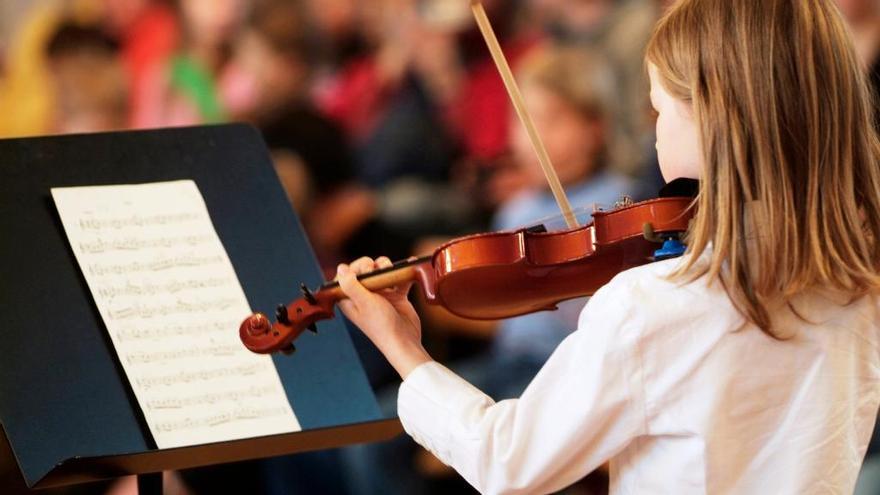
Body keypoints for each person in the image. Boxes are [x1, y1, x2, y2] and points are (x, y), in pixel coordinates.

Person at [333, 0, 880, 492]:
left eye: (659, 111)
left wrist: (404, 347)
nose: (655, 133)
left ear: (717, 123)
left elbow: (505, 461)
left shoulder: (653, 306)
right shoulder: (861, 286)